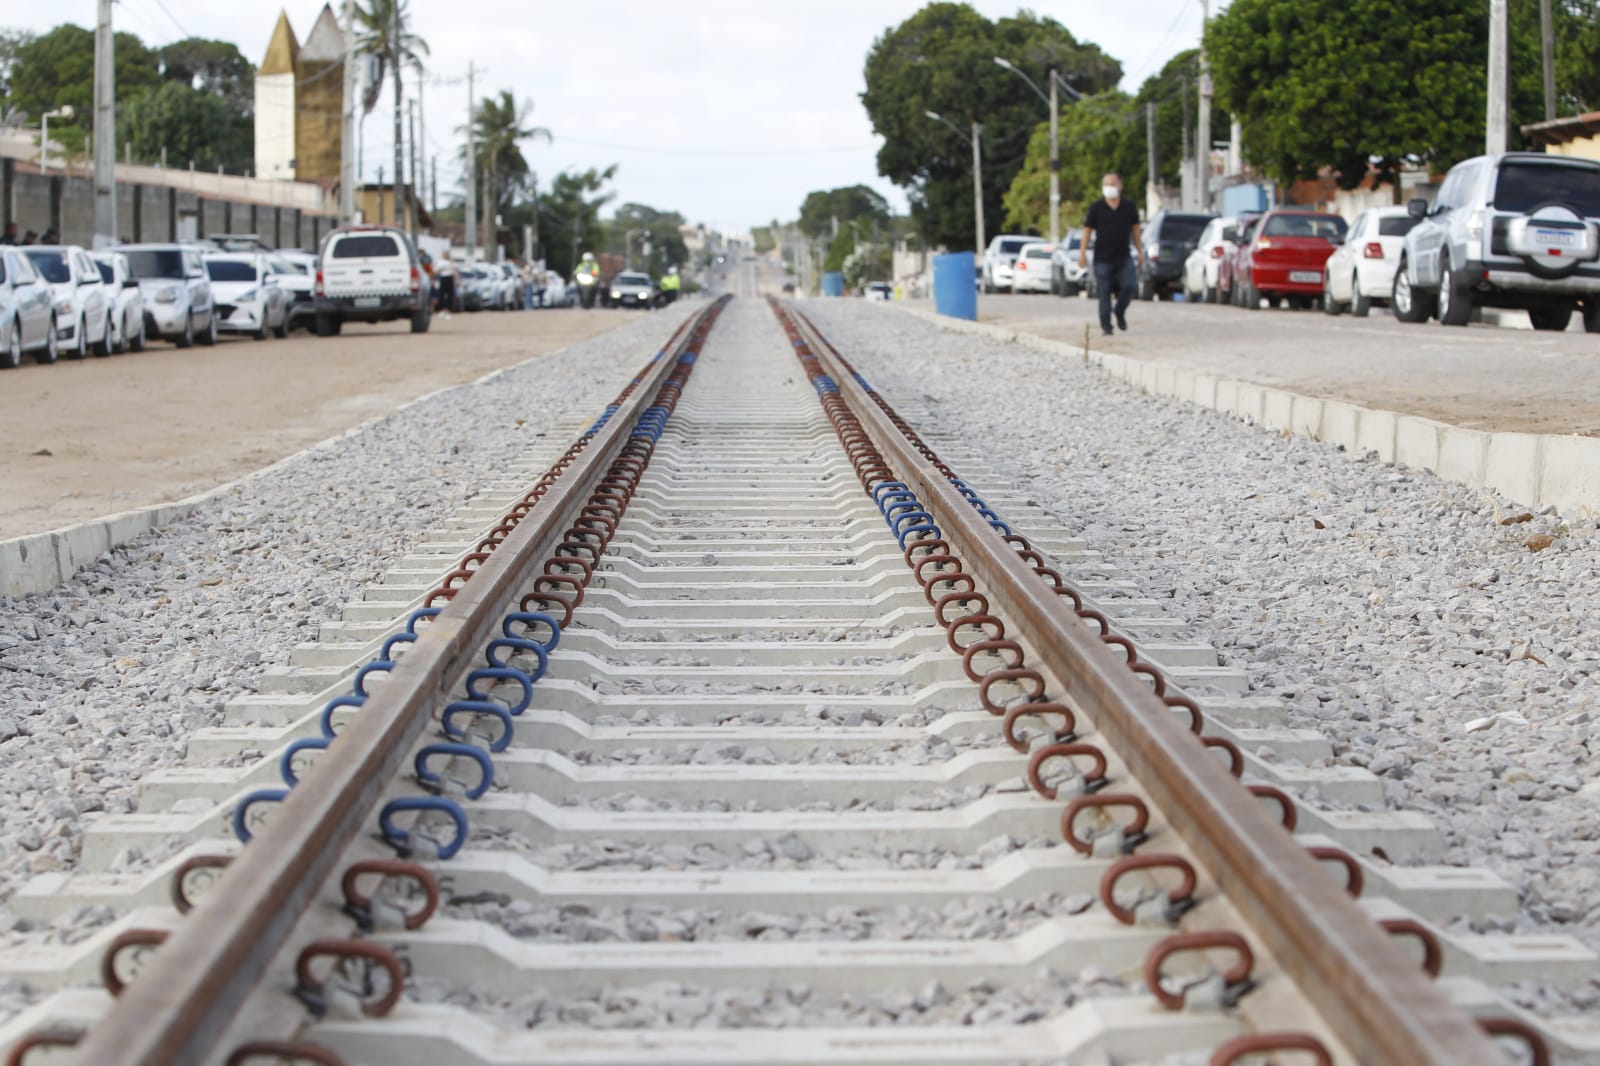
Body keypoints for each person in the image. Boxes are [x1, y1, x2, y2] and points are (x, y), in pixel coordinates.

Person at [1078, 172, 1146, 338]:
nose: (1109, 188)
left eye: (1112, 184)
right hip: (1102, 258)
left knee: (1130, 286)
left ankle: (1120, 310)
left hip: (1123, 256)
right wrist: (1082, 253)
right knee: (1104, 292)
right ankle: (1106, 327)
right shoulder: (1096, 208)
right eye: (1106, 184)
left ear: (1120, 186)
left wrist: (1140, 252)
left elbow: (1136, 231)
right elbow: (1087, 231)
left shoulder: (1128, 207)